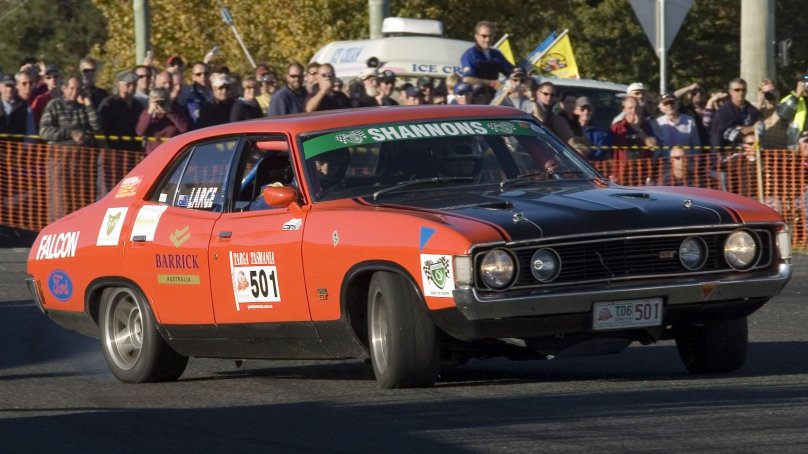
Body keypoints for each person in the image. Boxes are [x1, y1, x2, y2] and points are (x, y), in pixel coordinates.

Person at [460, 21, 513, 104]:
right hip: (477, 99)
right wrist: (491, 83)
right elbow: (467, 79)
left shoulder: (496, 54)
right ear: (476, 37)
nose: (487, 40)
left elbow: (511, 71)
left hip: (496, 98)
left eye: (490, 36)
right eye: (484, 36)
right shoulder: (470, 55)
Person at [39, 76, 100, 146]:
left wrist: (89, 104)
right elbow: (44, 131)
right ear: (64, 88)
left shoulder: (84, 106)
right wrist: (71, 134)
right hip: (60, 153)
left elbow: (96, 126)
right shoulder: (54, 105)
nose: (75, 92)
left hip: (83, 153)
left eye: (78, 89)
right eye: (72, 88)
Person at [610, 96, 658, 184]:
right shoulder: (617, 127)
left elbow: (653, 146)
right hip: (622, 174)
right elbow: (609, 151)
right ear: (624, 110)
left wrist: (637, 129)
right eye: (630, 108)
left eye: (636, 108)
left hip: (642, 174)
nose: (634, 111)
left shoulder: (646, 125)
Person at [97, 71, 144, 152]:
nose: (132, 88)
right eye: (128, 85)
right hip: (113, 150)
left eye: (134, 85)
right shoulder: (109, 103)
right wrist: (106, 150)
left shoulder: (138, 105)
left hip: (134, 151)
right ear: (119, 85)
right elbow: (100, 129)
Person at [710, 78, 760, 153]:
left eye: (743, 90)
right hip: (729, 157)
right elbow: (719, 137)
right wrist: (752, 128)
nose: (741, 92)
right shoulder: (722, 113)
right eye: (737, 90)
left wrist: (740, 129)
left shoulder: (753, 111)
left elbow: (761, 131)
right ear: (730, 91)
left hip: (751, 156)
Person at [135, 87, 189, 155]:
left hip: (172, 153)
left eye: (162, 101)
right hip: (152, 154)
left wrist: (169, 113)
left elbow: (184, 128)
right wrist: (149, 113)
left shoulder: (176, 112)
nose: (159, 104)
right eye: (156, 101)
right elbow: (140, 132)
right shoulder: (147, 113)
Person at [655, 92, 701, 158]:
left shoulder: (689, 121)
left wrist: (685, 153)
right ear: (660, 108)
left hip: (686, 162)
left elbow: (697, 146)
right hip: (664, 164)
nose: (669, 106)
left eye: (671, 102)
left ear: (677, 104)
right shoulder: (657, 123)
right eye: (665, 103)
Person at [776, 74, 808, 149]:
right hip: (796, 145)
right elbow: (783, 114)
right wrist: (796, 96)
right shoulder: (791, 99)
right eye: (805, 84)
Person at [575, 96, 612, 161]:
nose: (586, 112)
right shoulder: (568, 129)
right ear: (575, 111)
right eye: (582, 109)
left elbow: (605, 154)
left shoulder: (599, 133)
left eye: (589, 109)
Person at [756, 78, 788, 150]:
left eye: (772, 91)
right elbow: (750, 125)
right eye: (765, 92)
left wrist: (776, 102)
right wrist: (759, 104)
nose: (769, 94)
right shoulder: (755, 110)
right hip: (761, 152)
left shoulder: (784, 109)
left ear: (777, 92)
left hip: (780, 154)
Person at [0, 75, 28, 142]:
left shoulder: (24, 106)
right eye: (7, 85)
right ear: (0, 87)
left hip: (17, 149)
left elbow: (30, 130)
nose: (9, 89)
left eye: (12, 86)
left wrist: (25, 149)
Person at [185, 61, 211, 127]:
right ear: (193, 77)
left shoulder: (215, 91)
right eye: (198, 74)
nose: (203, 76)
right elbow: (197, 118)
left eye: (206, 73)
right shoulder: (190, 95)